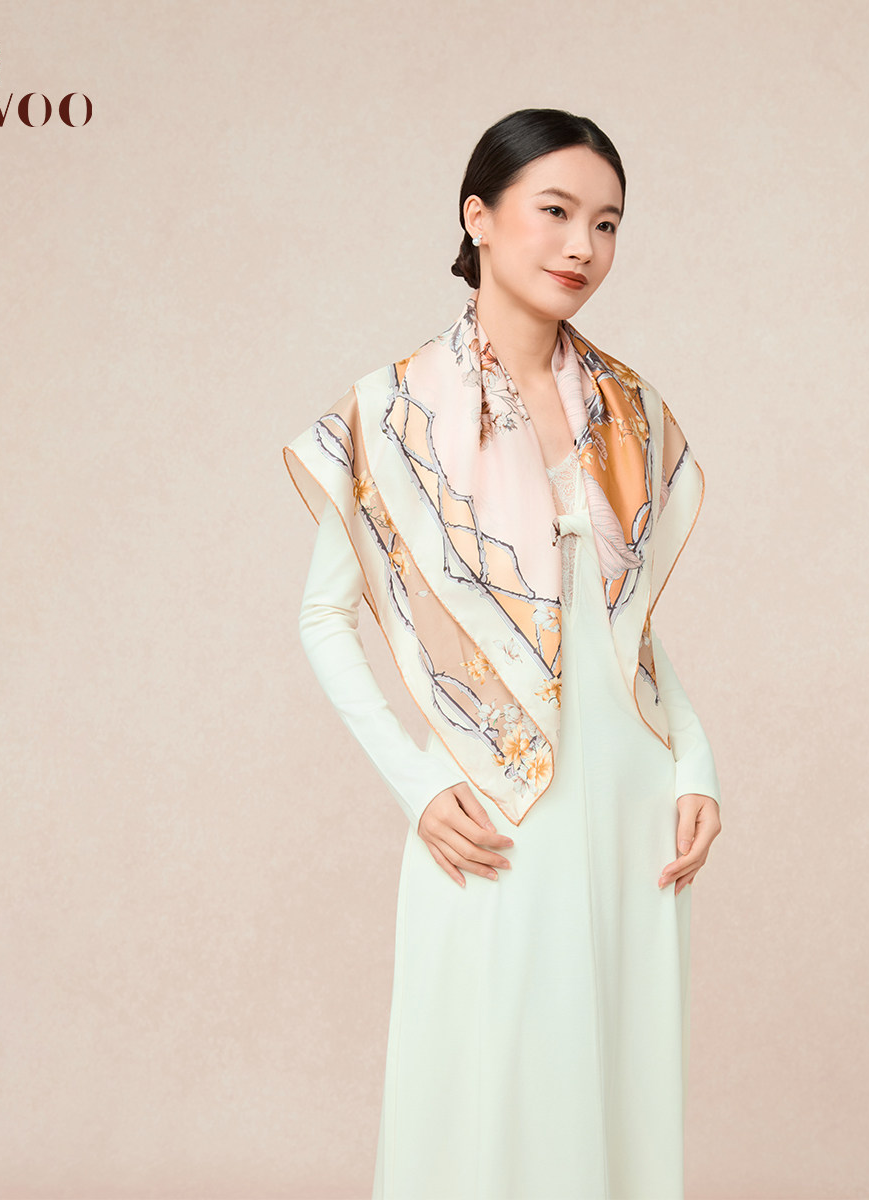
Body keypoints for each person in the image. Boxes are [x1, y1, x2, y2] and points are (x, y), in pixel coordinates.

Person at [283, 107, 724, 1200]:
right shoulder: (393, 412)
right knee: (488, 1094)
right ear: (478, 217)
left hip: (633, 806)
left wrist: (697, 766)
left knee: (622, 1092)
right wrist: (419, 784)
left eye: (607, 224)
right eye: (557, 211)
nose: (584, 246)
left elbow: (624, 632)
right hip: (498, 803)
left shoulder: (630, 408)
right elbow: (325, 618)